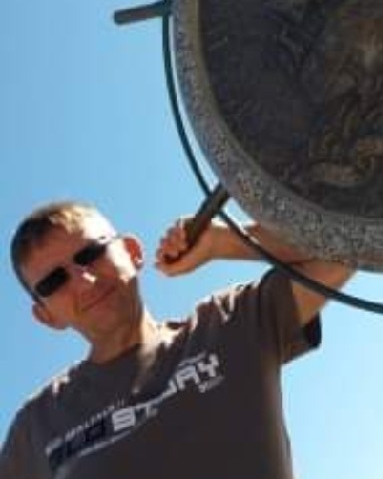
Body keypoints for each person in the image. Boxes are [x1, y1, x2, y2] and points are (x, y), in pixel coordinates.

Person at [0, 200, 353, 479]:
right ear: (46, 316)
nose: (84, 280)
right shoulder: (36, 425)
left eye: (91, 253)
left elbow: (353, 240)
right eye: (54, 282)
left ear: (132, 252)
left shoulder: (231, 323)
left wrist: (227, 240)